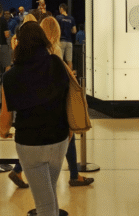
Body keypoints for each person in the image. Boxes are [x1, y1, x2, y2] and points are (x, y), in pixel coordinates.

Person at [0, 21, 70, 215]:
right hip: (59, 139)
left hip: (30, 144)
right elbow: (66, 99)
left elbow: (5, 120)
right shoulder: (56, 63)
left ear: (18, 43)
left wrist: (3, 131)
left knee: (44, 202)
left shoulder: (11, 76)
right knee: (49, 193)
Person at [39, 17, 93, 188]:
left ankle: (73, 175)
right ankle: (74, 176)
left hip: (42, 101)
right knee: (69, 136)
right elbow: (58, 74)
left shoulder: (38, 50)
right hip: (57, 100)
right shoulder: (54, 49)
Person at [55, 3, 77, 70]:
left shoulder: (58, 18)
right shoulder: (71, 19)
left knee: (60, 60)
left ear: (61, 9)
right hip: (69, 42)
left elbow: (55, 28)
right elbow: (74, 31)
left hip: (61, 41)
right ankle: (71, 78)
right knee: (69, 61)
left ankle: (60, 77)